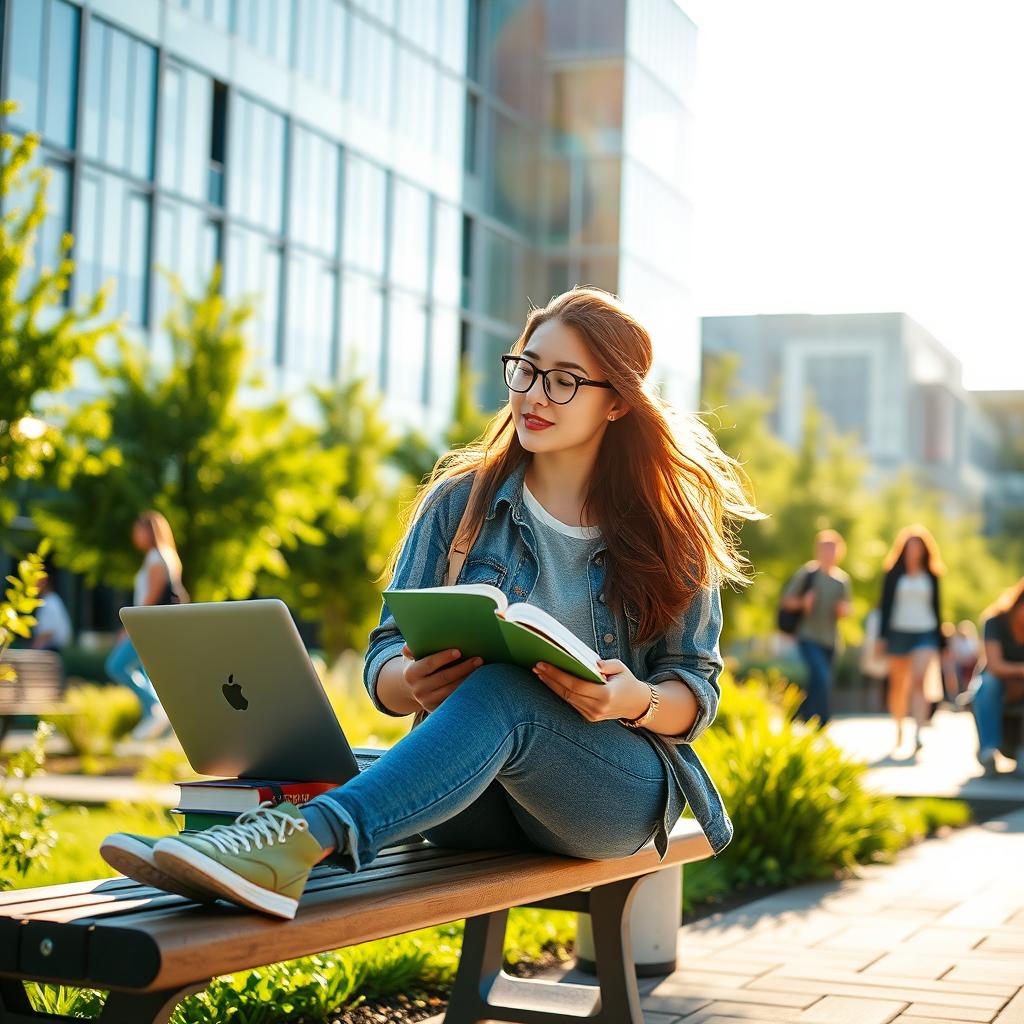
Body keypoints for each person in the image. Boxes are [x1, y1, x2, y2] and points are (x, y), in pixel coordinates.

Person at [99, 286, 760, 920]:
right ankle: (216, 858)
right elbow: (384, 653)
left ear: (615, 402)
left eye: (564, 380)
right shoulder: (459, 503)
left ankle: (293, 847)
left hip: (607, 798)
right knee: (308, 763)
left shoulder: (668, 528)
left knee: (503, 692)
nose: (534, 395)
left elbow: (693, 691)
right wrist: (409, 682)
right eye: (525, 370)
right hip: (479, 803)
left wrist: (629, 699)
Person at [104, 511, 188, 741]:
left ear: (149, 531)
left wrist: (127, 626)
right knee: (141, 671)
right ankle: (153, 717)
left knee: (116, 666)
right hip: (157, 627)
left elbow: (149, 599)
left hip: (145, 626)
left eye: (138, 530)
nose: (135, 535)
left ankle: (153, 708)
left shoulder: (155, 558)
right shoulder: (168, 557)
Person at [876, 525, 946, 756]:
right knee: (898, 685)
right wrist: (881, 637)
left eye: (918, 546)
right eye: (910, 546)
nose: (914, 551)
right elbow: (884, 607)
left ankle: (917, 732)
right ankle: (898, 728)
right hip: (898, 632)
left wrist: (942, 640)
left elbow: (937, 608)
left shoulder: (932, 575)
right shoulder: (893, 574)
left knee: (919, 680)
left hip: (925, 632)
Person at [779, 530, 852, 726]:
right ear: (818, 550)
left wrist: (843, 610)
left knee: (820, 680)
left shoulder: (842, 580)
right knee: (821, 676)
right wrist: (803, 603)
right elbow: (786, 601)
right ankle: (822, 720)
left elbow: (846, 609)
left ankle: (804, 716)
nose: (828, 552)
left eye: (832, 548)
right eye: (825, 548)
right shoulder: (807, 574)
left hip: (831, 640)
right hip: (808, 636)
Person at [972, 579, 1024, 775]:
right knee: (989, 683)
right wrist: (1020, 671)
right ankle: (988, 749)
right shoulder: (995, 621)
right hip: (996, 685)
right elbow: (994, 666)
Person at [30, 568, 72, 654]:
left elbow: (47, 632)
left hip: (50, 651)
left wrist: (33, 651)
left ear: (44, 582)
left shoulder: (50, 603)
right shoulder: (51, 600)